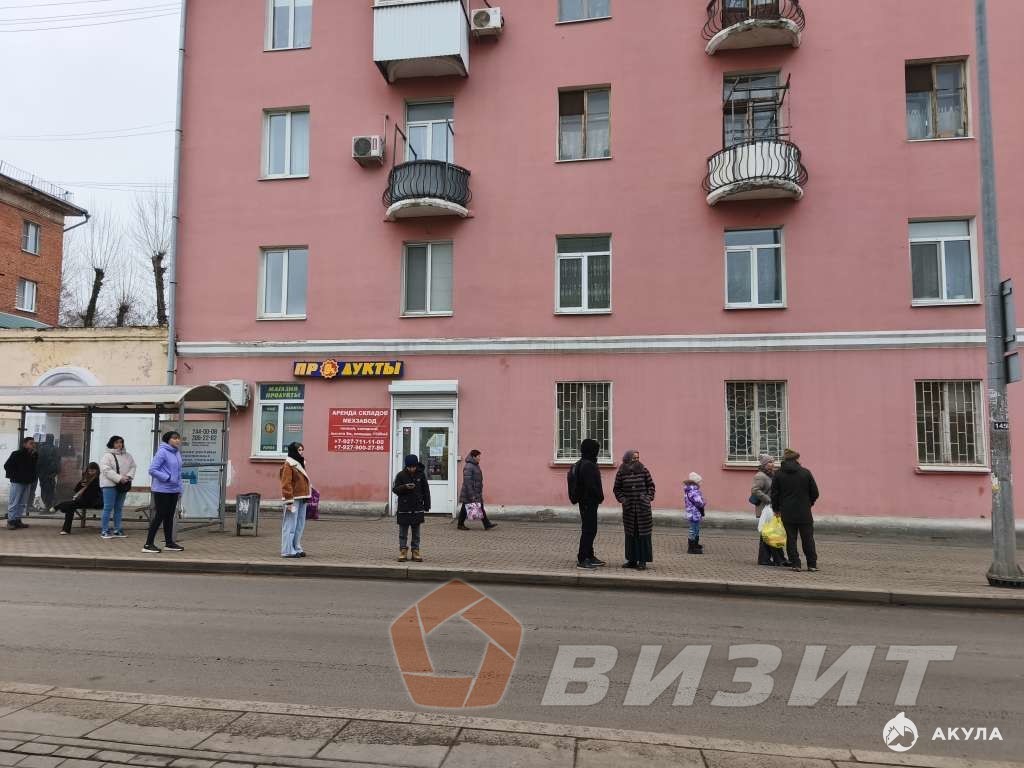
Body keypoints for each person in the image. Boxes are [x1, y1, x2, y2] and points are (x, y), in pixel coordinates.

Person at [770, 448, 820, 572]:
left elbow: (774, 494)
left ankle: (795, 564)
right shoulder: (805, 473)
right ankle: (812, 564)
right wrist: (809, 503)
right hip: (804, 511)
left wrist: (776, 508)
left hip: (787, 511)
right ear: (796, 459)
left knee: (791, 539)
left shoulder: (778, 474)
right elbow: (815, 492)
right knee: (808, 538)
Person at [613, 449, 655, 570]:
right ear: (627, 458)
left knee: (643, 535)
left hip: (643, 509)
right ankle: (631, 560)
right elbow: (617, 489)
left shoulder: (644, 470)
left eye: (637, 458)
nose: (636, 460)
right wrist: (623, 500)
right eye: (634, 457)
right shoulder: (621, 472)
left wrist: (647, 498)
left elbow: (651, 486)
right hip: (629, 509)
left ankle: (642, 560)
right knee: (631, 535)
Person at [143, 431, 185, 554]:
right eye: (174, 438)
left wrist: (180, 488)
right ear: (167, 439)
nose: (177, 440)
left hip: (174, 490)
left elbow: (178, 472)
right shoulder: (162, 452)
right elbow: (152, 470)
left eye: (178, 438)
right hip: (162, 489)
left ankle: (169, 543)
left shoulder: (176, 452)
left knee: (169, 516)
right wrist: (167, 478)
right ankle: (148, 544)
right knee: (160, 515)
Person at [569, 438, 606, 569]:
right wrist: (600, 497)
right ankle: (583, 558)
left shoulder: (579, 463)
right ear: (592, 450)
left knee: (588, 529)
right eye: (596, 450)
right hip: (589, 501)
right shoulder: (588, 465)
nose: (597, 452)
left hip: (583, 501)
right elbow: (591, 486)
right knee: (589, 530)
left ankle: (590, 555)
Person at [392, 454, 430, 562]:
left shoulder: (421, 475)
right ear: (406, 466)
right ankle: (403, 551)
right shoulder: (400, 475)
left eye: (413, 467)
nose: (412, 469)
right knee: (403, 533)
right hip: (404, 508)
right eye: (410, 467)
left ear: (416, 465)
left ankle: (415, 551)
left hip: (417, 507)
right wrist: (404, 487)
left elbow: (426, 490)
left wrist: (427, 505)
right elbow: (395, 489)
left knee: (416, 533)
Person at [752, 454, 787, 567]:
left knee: (771, 533)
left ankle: (772, 559)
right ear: (764, 464)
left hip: (772, 508)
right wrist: (768, 500)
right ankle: (768, 559)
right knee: (768, 533)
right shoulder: (760, 476)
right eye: (769, 462)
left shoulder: (772, 475)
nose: (772, 464)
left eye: (773, 462)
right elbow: (755, 490)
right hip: (765, 509)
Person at [99, 435, 137, 539]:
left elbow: (133, 466)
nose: (119, 444)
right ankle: (104, 530)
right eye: (116, 442)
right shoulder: (107, 456)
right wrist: (119, 478)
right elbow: (106, 470)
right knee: (108, 507)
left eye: (121, 442)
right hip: (109, 485)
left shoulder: (128, 456)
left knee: (119, 508)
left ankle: (117, 530)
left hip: (123, 485)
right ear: (112, 443)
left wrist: (128, 476)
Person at [279, 442, 311, 558]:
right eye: (299, 450)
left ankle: (296, 547)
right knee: (290, 525)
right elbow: (286, 484)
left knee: (299, 524)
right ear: (293, 451)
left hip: (302, 497)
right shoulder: (288, 464)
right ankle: (287, 550)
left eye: (302, 450)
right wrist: (288, 501)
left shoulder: (300, 463)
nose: (301, 452)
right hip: (292, 499)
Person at [55, 463, 103, 535]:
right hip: (84, 500)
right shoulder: (86, 477)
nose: (91, 472)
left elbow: (95, 492)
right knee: (70, 507)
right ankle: (65, 529)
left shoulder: (99, 478)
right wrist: (81, 484)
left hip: (94, 501)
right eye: (89, 471)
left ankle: (58, 506)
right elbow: (76, 489)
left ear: (97, 470)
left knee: (69, 505)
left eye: (93, 471)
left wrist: (88, 485)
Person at [456, 449, 496, 531]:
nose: (479, 458)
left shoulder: (475, 465)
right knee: (468, 508)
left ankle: (486, 524)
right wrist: (471, 495)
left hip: (476, 491)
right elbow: (467, 482)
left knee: (472, 507)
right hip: (470, 492)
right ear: (473, 457)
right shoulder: (469, 466)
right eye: (478, 456)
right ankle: (461, 524)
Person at [4, 437, 38, 530]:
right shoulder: (16, 454)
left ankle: (17, 520)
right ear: (24, 444)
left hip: (28, 482)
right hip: (17, 482)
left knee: (23, 502)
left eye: (33, 443)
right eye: (31, 443)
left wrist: (32, 478)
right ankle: (11, 521)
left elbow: (34, 468)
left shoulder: (33, 455)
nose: (33, 445)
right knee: (14, 501)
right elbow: (7, 466)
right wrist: (15, 476)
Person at [36, 434, 60, 512]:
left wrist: (38, 472)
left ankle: (47, 506)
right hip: (50, 473)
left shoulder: (42, 448)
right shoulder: (55, 448)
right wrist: (56, 472)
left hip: (44, 473)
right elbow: (58, 461)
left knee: (45, 490)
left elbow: (39, 461)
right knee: (50, 490)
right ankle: (49, 506)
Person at [684, 472, 705, 554]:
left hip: (694, 512)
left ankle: (695, 544)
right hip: (694, 513)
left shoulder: (691, 490)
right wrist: (703, 503)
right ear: (696, 482)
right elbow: (699, 502)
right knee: (693, 530)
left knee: (696, 529)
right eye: (699, 481)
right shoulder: (693, 491)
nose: (700, 483)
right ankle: (691, 548)